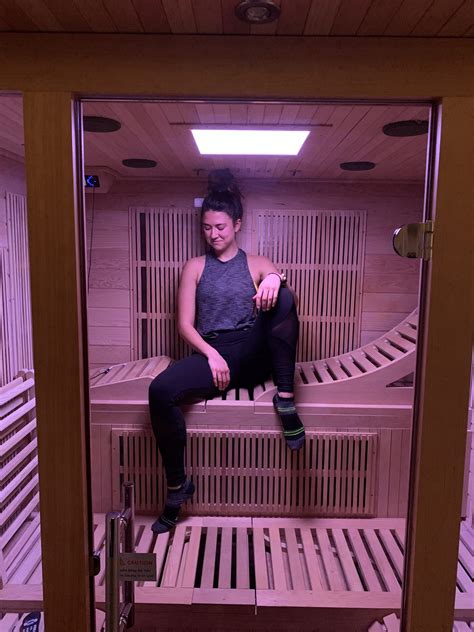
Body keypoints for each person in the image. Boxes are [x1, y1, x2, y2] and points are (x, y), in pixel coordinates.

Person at [148, 169, 305, 534]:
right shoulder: (195, 267)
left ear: (236, 224)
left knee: (284, 295)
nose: (213, 234)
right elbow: (184, 325)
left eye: (220, 227)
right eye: (206, 228)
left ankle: (285, 399)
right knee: (159, 390)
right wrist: (212, 355)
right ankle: (177, 487)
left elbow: (284, 302)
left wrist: (273, 277)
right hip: (215, 354)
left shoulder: (257, 263)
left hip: (253, 351)